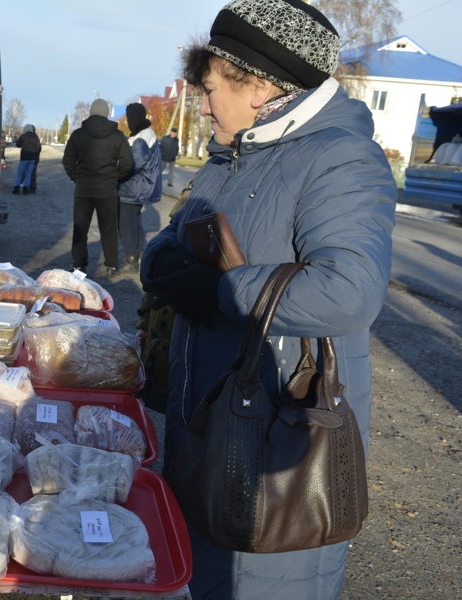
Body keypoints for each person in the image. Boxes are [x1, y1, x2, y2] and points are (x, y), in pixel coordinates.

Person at [140, 0, 396, 598]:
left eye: (208, 89)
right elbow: (170, 242)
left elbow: (351, 290)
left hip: (277, 449)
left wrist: (224, 290)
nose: (200, 105)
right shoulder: (236, 153)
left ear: (256, 85)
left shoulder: (338, 156)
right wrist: (168, 266)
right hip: (210, 433)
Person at [62, 98, 134, 277]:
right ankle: (111, 265)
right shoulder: (117, 136)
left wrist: (77, 177)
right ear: (107, 113)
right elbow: (128, 163)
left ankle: (79, 266)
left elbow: (68, 160)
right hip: (107, 190)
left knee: (81, 229)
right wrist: (114, 178)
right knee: (108, 229)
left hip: (84, 189)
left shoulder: (78, 135)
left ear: (90, 112)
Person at [118, 103, 162, 273]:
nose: (128, 121)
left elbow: (132, 164)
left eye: (129, 117)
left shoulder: (142, 137)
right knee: (134, 223)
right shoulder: (143, 134)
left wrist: (114, 172)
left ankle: (131, 260)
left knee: (127, 224)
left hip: (133, 188)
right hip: (137, 187)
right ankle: (136, 255)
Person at [12, 124, 41, 195]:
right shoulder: (36, 137)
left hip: (24, 157)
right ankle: (26, 189)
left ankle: (17, 188)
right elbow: (38, 148)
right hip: (32, 158)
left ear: (25, 129)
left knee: (20, 173)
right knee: (29, 174)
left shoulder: (23, 136)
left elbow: (18, 145)